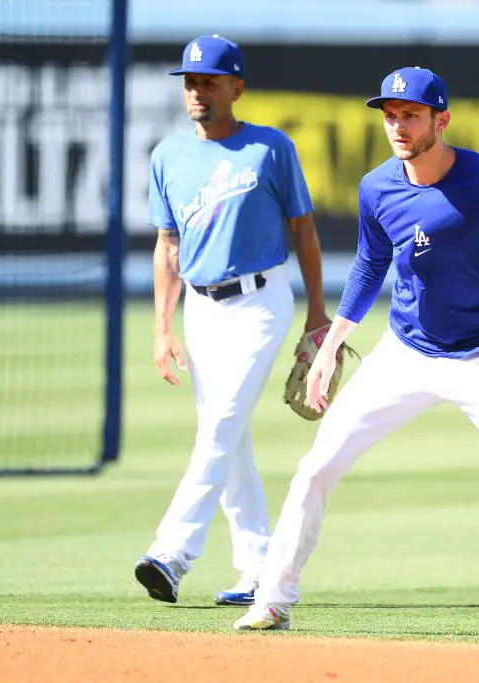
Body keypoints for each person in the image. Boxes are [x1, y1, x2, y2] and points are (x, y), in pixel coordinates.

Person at [232, 67, 479, 639]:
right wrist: (333, 342)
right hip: (407, 352)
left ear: (442, 119)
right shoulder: (377, 188)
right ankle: (272, 598)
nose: (397, 125)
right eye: (389, 115)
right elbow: (369, 266)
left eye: (410, 114)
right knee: (317, 465)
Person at [134, 35, 330, 608]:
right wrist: (161, 327)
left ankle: (171, 553)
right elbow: (167, 245)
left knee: (219, 426)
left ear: (236, 88)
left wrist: (319, 315)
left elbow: (305, 231)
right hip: (200, 308)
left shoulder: (270, 148)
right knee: (229, 437)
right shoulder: (168, 155)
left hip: (261, 302)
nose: (196, 91)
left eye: (208, 81)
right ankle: (258, 567)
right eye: (190, 81)